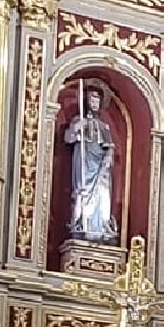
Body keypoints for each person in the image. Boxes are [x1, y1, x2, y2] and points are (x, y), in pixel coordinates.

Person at [63, 84, 118, 242]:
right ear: (87, 102)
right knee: (83, 192)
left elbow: (110, 147)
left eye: (97, 100)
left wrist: (108, 157)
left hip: (100, 166)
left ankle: (101, 227)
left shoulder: (103, 126)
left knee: (102, 194)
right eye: (92, 99)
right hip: (85, 162)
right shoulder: (78, 121)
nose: (95, 103)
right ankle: (80, 224)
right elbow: (68, 138)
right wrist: (76, 128)